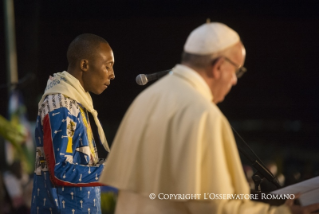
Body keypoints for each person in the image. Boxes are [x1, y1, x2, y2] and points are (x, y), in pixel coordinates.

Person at [99, 22, 319, 214]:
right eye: (237, 71)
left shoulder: (145, 99)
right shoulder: (203, 114)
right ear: (219, 66)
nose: (234, 80)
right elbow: (217, 208)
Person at [30, 33, 115, 214]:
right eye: (108, 66)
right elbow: (60, 171)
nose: (112, 74)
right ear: (84, 65)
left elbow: (78, 163)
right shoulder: (61, 106)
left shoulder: (75, 102)